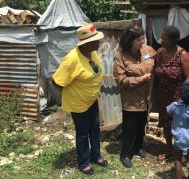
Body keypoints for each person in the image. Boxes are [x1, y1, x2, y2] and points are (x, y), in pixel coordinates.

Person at [52, 24, 108, 175]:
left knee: (95, 128)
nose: (99, 42)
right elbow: (56, 81)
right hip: (78, 104)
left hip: (92, 99)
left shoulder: (92, 53)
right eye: (96, 40)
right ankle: (83, 163)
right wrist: (71, 93)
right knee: (83, 132)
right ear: (86, 43)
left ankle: (96, 155)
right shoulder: (71, 60)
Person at [113, 26, 156, 168]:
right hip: (131, 100)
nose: (142, 41)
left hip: (147, 98)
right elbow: (121, 80)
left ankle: (138, 147)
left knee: (141, 125)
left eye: (142, 38)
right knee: (130, 128)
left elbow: (159, 59)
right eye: (139, 39)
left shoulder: (148, 50)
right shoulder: (121, 55)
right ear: (130, 41)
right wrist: (141, 79)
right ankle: (126, 154)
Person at [154, 26, 189, 160]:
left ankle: (181, 151)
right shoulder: (158, 53)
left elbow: (188, 77)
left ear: (173, 40)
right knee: (165, 123)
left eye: (164, 38)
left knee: (179, 124)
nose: (161, 41)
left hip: (177, 95)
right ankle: (169, 149)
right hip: (163, 94)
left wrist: (183, 97)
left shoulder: (182, 54)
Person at [166, 82, 189, 179]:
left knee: (178, 159)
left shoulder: (174, 106)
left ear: (180, 94)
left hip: (178, 137)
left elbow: (167, 112)